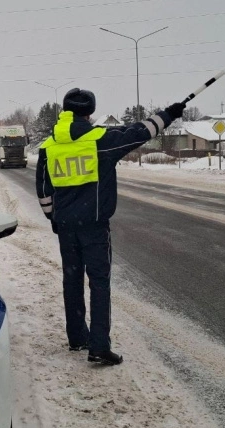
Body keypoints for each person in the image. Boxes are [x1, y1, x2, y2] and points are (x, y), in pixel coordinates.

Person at [35, 88, 185, 366]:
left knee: (72, 280)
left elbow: (43, 189)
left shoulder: (49, 145)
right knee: (99, 283)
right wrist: (169, 114)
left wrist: (53, 219)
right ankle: (99, 346)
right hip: (94, 226)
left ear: (65, 110)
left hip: (66, 227)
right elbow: (140, 132)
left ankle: (78, 337)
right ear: (90, 112)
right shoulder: (101, 140)